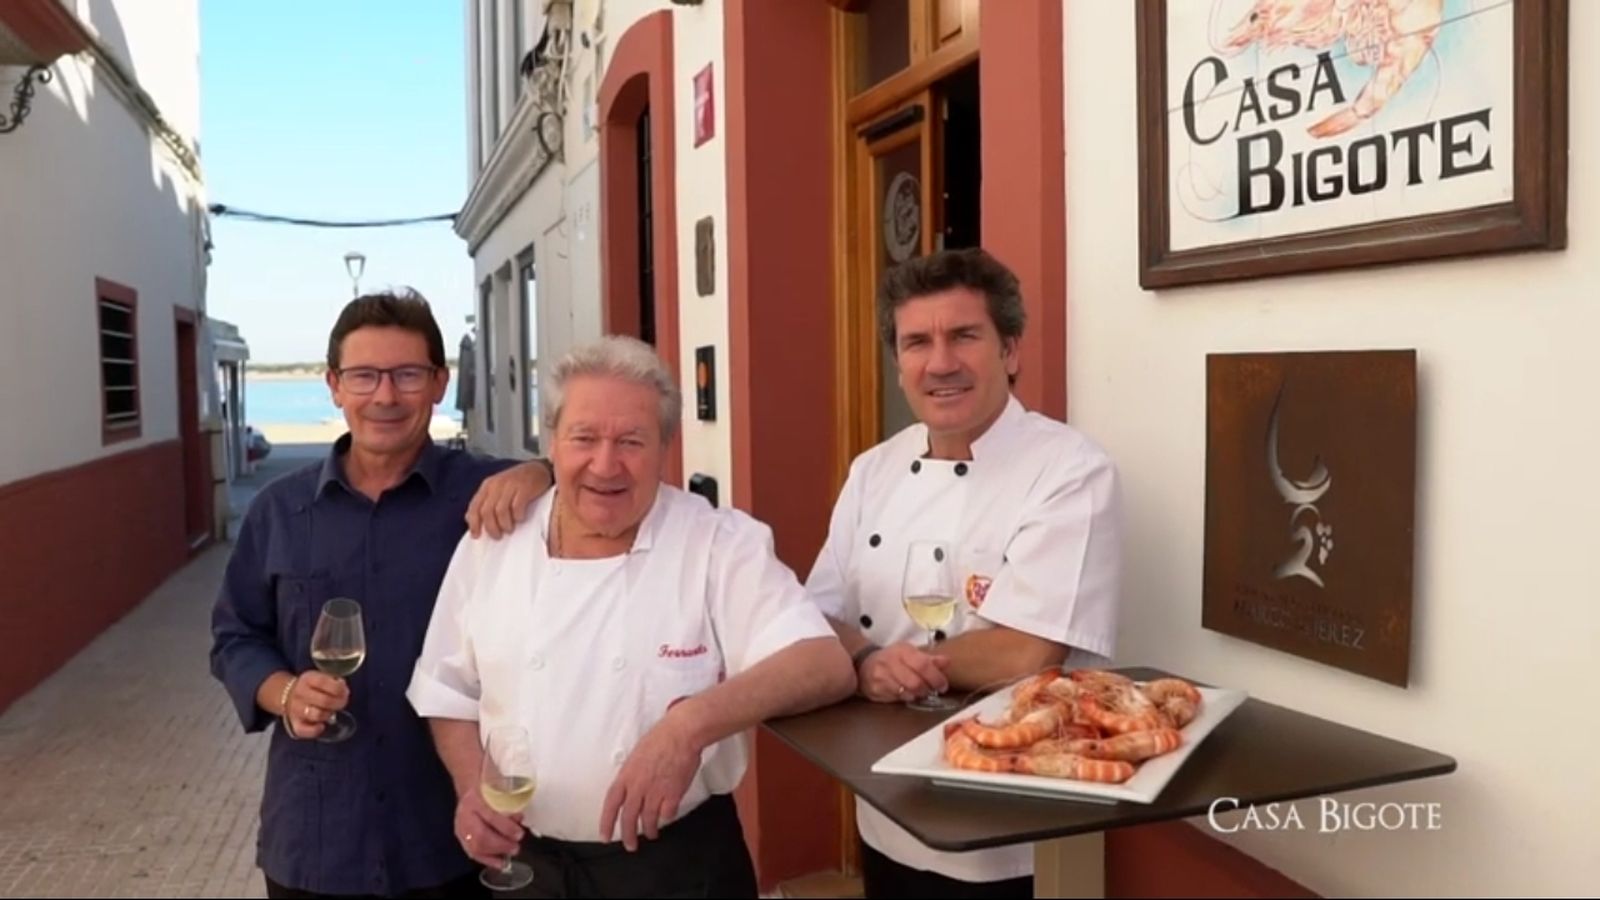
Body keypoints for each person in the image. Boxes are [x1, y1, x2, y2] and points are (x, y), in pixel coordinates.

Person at [406, 335, 857, 899]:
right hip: (527, 868)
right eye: (584, 438)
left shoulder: (716, 541)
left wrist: (688, 727)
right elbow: (448, 689)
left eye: (631, 441)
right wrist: (472, 786)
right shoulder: (495, 541)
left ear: (666, 447)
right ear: (552, 444)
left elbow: (822, 662)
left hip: (676, 868)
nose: (605, 464)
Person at [209, 289, 555, 898]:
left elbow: (585, 488)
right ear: (335, 385)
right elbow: (235, 638)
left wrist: (541, 473)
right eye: (365, 376)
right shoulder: (279, 512)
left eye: (407, 374)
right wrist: (286, 692)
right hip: (316, 837)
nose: (386, 396)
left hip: (453, 832)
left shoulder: (486, 496)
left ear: (440, 382)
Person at [804, 248, 1123, 899]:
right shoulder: (874, 469)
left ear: (1010, 350)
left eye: (964, 336)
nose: (940, 362)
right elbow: (816, 614)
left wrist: (894, 667)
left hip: (1011, 827)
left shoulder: (1068, 471)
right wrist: (865, 657)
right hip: (886, 798)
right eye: (917, 342)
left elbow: (1029, 648)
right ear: (899, 364)